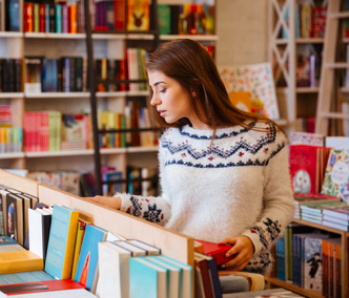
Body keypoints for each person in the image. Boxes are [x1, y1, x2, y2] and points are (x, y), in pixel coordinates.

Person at [87, 39, 295, 274]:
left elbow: (281, 204)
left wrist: (253, 240)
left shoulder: (265, 136)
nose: (154, 100)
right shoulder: (171, 141)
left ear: (194, 86)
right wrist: (119, 203)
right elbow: (171, 207)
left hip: (241, 273)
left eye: (162, 89)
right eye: (153, 90)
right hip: (180, 268)